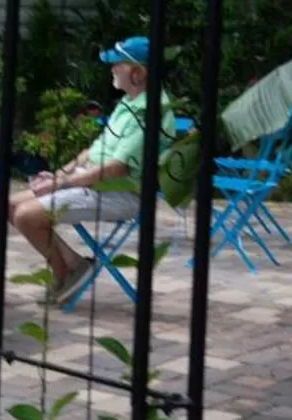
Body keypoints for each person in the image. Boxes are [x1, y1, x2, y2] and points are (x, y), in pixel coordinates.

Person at [11, 36, 172, 301]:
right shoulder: (129, 103)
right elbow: (95, 150)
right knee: (11, 206)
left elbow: (116, 168)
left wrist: (61, 184)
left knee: (26, 216)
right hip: (92, 182)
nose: (111, 69)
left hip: (119, 192)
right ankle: (74, 265)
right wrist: (61, 173)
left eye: (117, 64)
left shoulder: (151, 111)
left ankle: (64, 274)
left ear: (139, 72)